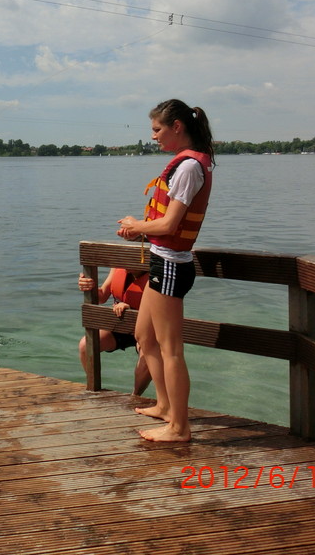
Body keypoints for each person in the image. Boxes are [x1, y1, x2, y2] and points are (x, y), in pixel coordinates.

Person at [116, 99, 214, 442]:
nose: (154, 137)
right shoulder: (185, 164)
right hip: (162, 260)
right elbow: (165, 224)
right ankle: (164, 406)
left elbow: (171, 222)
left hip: (172, 266)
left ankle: (179, 427)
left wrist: (137, 224)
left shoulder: (189, 168)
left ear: (177, 127)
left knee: (172, 349)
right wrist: (139, 229)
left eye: (157, 130)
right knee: (144, 337)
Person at [77, 268, 152, 396]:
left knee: (148, 356)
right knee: (85, 346)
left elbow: (159, 309)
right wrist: (90, 286)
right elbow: (101, 297)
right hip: (120, 326)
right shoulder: (118, 268)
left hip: (145, 327)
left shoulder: (155, 272)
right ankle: (94, 388)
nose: (124, 263)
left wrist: (130, 309)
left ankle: (135, 396)